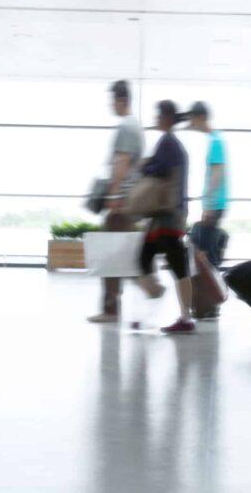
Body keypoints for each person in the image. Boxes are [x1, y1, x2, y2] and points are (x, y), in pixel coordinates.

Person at [133, 100, 195, 335]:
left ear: (167, 118)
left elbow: (157, 170)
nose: (156, 120)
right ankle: (150, 309)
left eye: (159, 116)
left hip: (167, 215)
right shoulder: (172, 143)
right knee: (144, 259)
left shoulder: (168, 143)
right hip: (164, 215)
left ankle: (184, 317)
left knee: (175, 265)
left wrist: (144, 166)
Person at [87, 80, 144, 324]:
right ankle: (137, 291)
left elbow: (121, 162)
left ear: (122, 100)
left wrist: (113, 195)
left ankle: (112, 309)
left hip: (121, 202)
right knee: (120, 253)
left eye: (112, 100)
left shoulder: (127, 127)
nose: (111, 105)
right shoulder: (134, 126)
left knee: (110, 256)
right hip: (127, 201)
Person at [186, 101, 228, 320]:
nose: (191, 123)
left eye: (192, 118)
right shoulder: (215, 140)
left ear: (200, 117)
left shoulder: (215, 141)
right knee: (207, 255)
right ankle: (208, 304)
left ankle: (210, 303)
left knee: (206, 256)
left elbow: (217, 174)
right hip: (214, 204)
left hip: (215, 205)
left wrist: (208, 206)